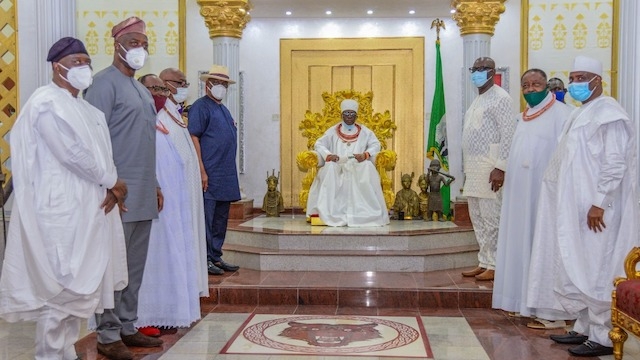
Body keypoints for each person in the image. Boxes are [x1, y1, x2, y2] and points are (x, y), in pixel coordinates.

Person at [0, 37, 128, 360]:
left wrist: (111, 188)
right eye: (76, 62)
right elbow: (72, 153)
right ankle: (49, 354)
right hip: (59, 213)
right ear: (57, 67)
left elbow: (102, 154)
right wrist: (113, 182)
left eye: (86, 62)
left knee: (82, 291)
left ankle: (66, 351)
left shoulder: (88, 110)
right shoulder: (46, 102)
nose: (83, 68)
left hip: (90, 210)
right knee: (60, 289)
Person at [527, 56, 639, 358]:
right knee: (580, 265)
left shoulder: (609, 113)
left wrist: (599, 203)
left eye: (582, 77)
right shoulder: (584, 112)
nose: (575, 83)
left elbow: (615, 164)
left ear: (597, 80)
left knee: (598, 267)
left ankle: (603, 335)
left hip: (598, 210)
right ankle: (584, 326)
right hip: (577, 207)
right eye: (573, 77)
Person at [84, 17, 164, 360]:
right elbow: (92, 141)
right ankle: (108, 333)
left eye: (144, 44)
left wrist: (156, 182)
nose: (139, 49)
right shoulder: (103, 84)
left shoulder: (141, 89)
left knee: (134, 265)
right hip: (117, 193)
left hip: (143, 191)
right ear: (116, 44)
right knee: (113, 266)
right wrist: (108, 184)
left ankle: (128, 326)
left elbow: (145, 141)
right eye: (133, 42)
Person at [492, 69, 573, 326]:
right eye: (525, 85)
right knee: (519, 241)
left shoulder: (563, 115)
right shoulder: (521, 117)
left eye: (535, 84)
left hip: (546, 195)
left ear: (546, 85)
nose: (529, 89)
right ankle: (519, 301)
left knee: (543, 244)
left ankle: (552, 312)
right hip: (518, 195)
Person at [134, 74, 207, 336]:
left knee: (166, 254)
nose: (159, 93)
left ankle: (164, 312)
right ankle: (142, 317)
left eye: (161, 89)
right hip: (145, 202)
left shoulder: (164, 118)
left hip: (168, 203)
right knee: (149, 258)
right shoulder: (138, 119)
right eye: (153, 88)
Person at [461, 57, 516, 281]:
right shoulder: (478, 99)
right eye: (475, 69)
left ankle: (495, 263)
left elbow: (509, 134)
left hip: (490, 166)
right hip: (473, 168)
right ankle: (484, 260)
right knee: (477, 216)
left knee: (492, 217)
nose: (477, 73)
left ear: (493, 72)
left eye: (482, 69)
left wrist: (500, 168)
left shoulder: (501, 98)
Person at [188, 64, 241, 276]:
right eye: (217, 83)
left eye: (224, 84)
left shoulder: (223, 109)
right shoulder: (201, 107)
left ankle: (216, 256)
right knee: (207, 219)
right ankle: (205, 258)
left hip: (225, 173)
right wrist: (201, 170)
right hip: (209, 173)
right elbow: (194, 137)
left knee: (220, 218)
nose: (221, 87)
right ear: (207, 85)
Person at [305, 99, 390, 227]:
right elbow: (319, 144)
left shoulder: (365, 131)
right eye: (346, 113)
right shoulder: (333, 131)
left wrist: (366, 154)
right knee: (329, 168)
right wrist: (328, 155)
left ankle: (366, 213)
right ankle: (328, 212)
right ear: (342, 115)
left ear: (356, 115)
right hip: (338, 165)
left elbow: (376, 145)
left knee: (367, 166)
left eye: (352, 114)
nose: (349, 116)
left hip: (358, 165)